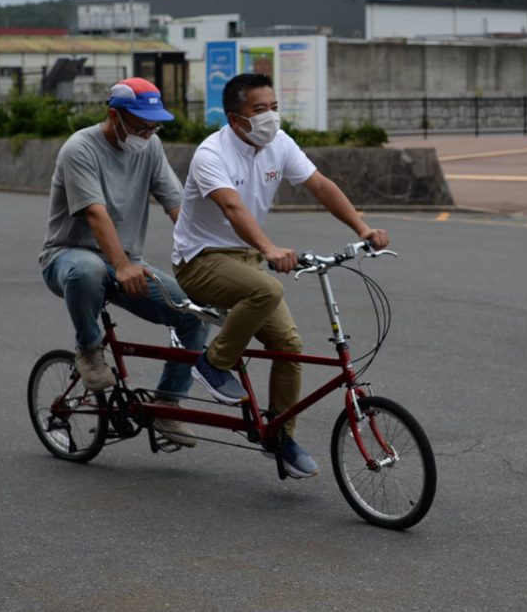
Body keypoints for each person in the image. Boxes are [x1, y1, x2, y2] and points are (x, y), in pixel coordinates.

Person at [171, 73, 388, 478]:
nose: (271, 116)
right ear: (236, 119)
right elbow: (234, 210)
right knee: (266, 289)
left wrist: (361, 228)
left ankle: (280, 437)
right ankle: (212, 363)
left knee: (288, 344)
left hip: (245, 259)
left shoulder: (279, 144)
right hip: (200, 260)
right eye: (260, 110)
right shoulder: (211, 154)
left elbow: (320, 186)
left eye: (274, 107)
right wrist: (269, 248)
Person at [39, 77, 209, 448]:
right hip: (68, 257)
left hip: (126, 263)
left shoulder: (150, 147)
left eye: (154, 127)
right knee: (90, 269)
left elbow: (177, 205)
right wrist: (122, 265)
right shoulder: (79, 149)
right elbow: (97, 215)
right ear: (114, 115)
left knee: (195, 311)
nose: (147, 134)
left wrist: (210, 257)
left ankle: (167, 404)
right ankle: (88, 348)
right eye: (140, 126)